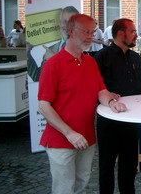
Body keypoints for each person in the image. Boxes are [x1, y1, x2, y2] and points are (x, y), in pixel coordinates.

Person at [38, 14, 123, 194]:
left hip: (87, 138)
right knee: (64, 189)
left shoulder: (90, 62)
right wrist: (69, 133)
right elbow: (44, 105)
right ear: (70, 32)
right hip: (61, 140)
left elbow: (101, 91)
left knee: (81, 184)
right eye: (85, 31)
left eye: (92, 32)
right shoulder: (53, 64)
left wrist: (111, 102)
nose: (90, 36)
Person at [94, 18, 141, 194]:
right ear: (121, 34)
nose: (136, 35)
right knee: (106, 168)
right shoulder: (102, 57)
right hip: (109, 122)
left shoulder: (137, 57)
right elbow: (95, 87)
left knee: (129, 169)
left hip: (132, 122)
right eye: (133, 31)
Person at [27, 6, 79, 82]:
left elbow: (76, 78)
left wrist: (54, 59)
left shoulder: (83, 48)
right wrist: (28, 54)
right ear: (60, 24)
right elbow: (37, 77)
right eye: (64, 21)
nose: (67, 25)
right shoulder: (51, 49)